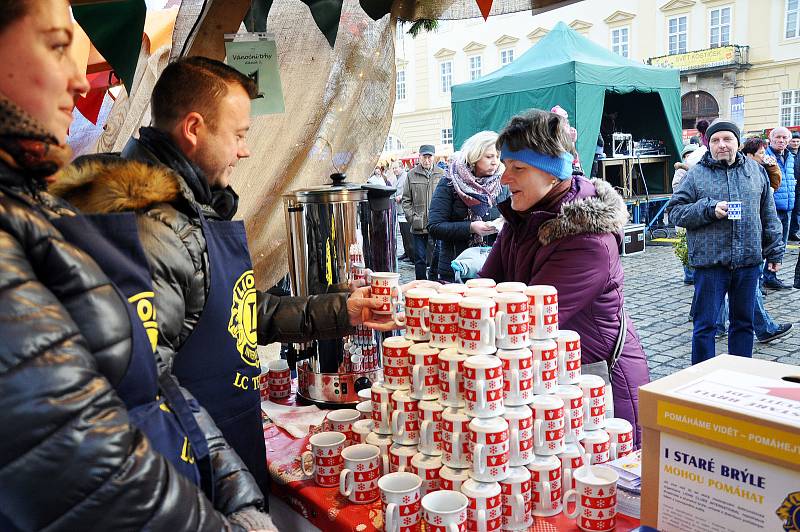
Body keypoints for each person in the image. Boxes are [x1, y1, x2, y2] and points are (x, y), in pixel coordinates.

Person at [55, 57, 396, 502]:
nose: (245, 150)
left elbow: (238, 311)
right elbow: (139, 395)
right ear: (194, 129)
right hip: (191, 480)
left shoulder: (190, 208)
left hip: (221, 450)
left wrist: (344, 310)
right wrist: (227, 496)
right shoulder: (152, 225)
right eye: (238, 135)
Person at [0, 1, 268, 529]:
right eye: (57, 46)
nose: (82, 79)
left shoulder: (37, 209)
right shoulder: (148, 223)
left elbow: (154, 382)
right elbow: (90, 471)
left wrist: (238, 496)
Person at [479, 109, 650, 446]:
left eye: (518, 169)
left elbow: (524, 319)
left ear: (553, 173)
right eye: (504, 166)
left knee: (598, 486)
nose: (504, 179)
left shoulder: (587, 238)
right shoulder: (523, 217)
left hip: (598, 382)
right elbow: (487, 286)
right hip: (554, 378)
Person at [667, 120, 784, 365]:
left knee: (743, 324)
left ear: (737, 143)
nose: (722, 145)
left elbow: (768, 214)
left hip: (748, 262)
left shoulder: (756, 172)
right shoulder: (696, 174)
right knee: (705, 326)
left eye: (727, 139)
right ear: (708, 145)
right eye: (715, 140)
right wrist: (709, 208)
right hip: (710, 264)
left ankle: (738, 375)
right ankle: (700, 378)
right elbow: (676, 212)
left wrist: (774, 253)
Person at [427, 130, 508, 283]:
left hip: (492, 266)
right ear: (474, 156)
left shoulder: (502, 183)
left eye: (497, 156)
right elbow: (434, 226)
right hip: (455, 266)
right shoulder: (450, 182)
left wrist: (503, 222)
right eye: (489, 156)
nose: (495, 162)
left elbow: (513, 218)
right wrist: (470, 227)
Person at [739, 137, 793, 343]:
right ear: (749, 155)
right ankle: (765, 328)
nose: (764, 157)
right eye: (760, 153)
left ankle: (718, 324)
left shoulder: (758, 171)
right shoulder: (748, 174)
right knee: (749, 289)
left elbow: (773, 189)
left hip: (750, 240)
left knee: (743, 288)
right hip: (745, 242)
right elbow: (770, 193)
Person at [403, 144, 445, 280]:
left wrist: (443, 217)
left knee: (437, 257)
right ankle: (420, 286)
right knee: (420, 258)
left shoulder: (441, 174)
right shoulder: (411, 175)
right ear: (419, 157)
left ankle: (435, 283)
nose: (427, 160)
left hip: (436, 223)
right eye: (424, 157)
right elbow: (406, 200)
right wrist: (412, 217)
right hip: (418, 224)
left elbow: (446, 198)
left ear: (433, 157)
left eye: (429, 157)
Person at [762, 126, 795, 290]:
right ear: (771, 139)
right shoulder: (765, 157)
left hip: (787, 207)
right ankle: (761, 278)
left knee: (780, 244)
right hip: (771, 208)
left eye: (784, 138)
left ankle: (771, 276)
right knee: (767, 243)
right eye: (778, 137)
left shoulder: (790, 156)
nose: (781, 141)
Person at [393, 160, 414, 263]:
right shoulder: (396, 179)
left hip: (405, 210)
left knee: (408, 233)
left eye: (396, 168)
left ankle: (411, 254)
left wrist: (400, 196)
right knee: (403, 234)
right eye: (393, 168)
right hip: (399, 210)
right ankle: (407, 252)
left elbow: (409, 192)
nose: (394, 170)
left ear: (401, 167)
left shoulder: (406, 176)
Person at [788, 130, 800, 240]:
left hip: (799, 186)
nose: (795, 143)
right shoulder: (786, 153)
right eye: (793, 141)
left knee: (797, 210)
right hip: (790, 186)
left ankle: (794, 232)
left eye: (797, 141)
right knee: (788, 210)